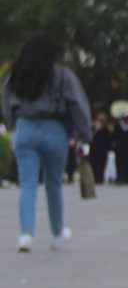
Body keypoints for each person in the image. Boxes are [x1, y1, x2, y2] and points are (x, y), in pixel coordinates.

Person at [3, 32, 92, 252]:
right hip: (54, 128)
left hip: (24, 127)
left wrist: (14, 125)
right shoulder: (62, 75)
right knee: (54, 184)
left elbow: (5, 101)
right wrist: (83, 134)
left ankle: (26, 234)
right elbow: (77, 104)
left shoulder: (16, 75)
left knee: (28, 183)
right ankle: (57, 232)